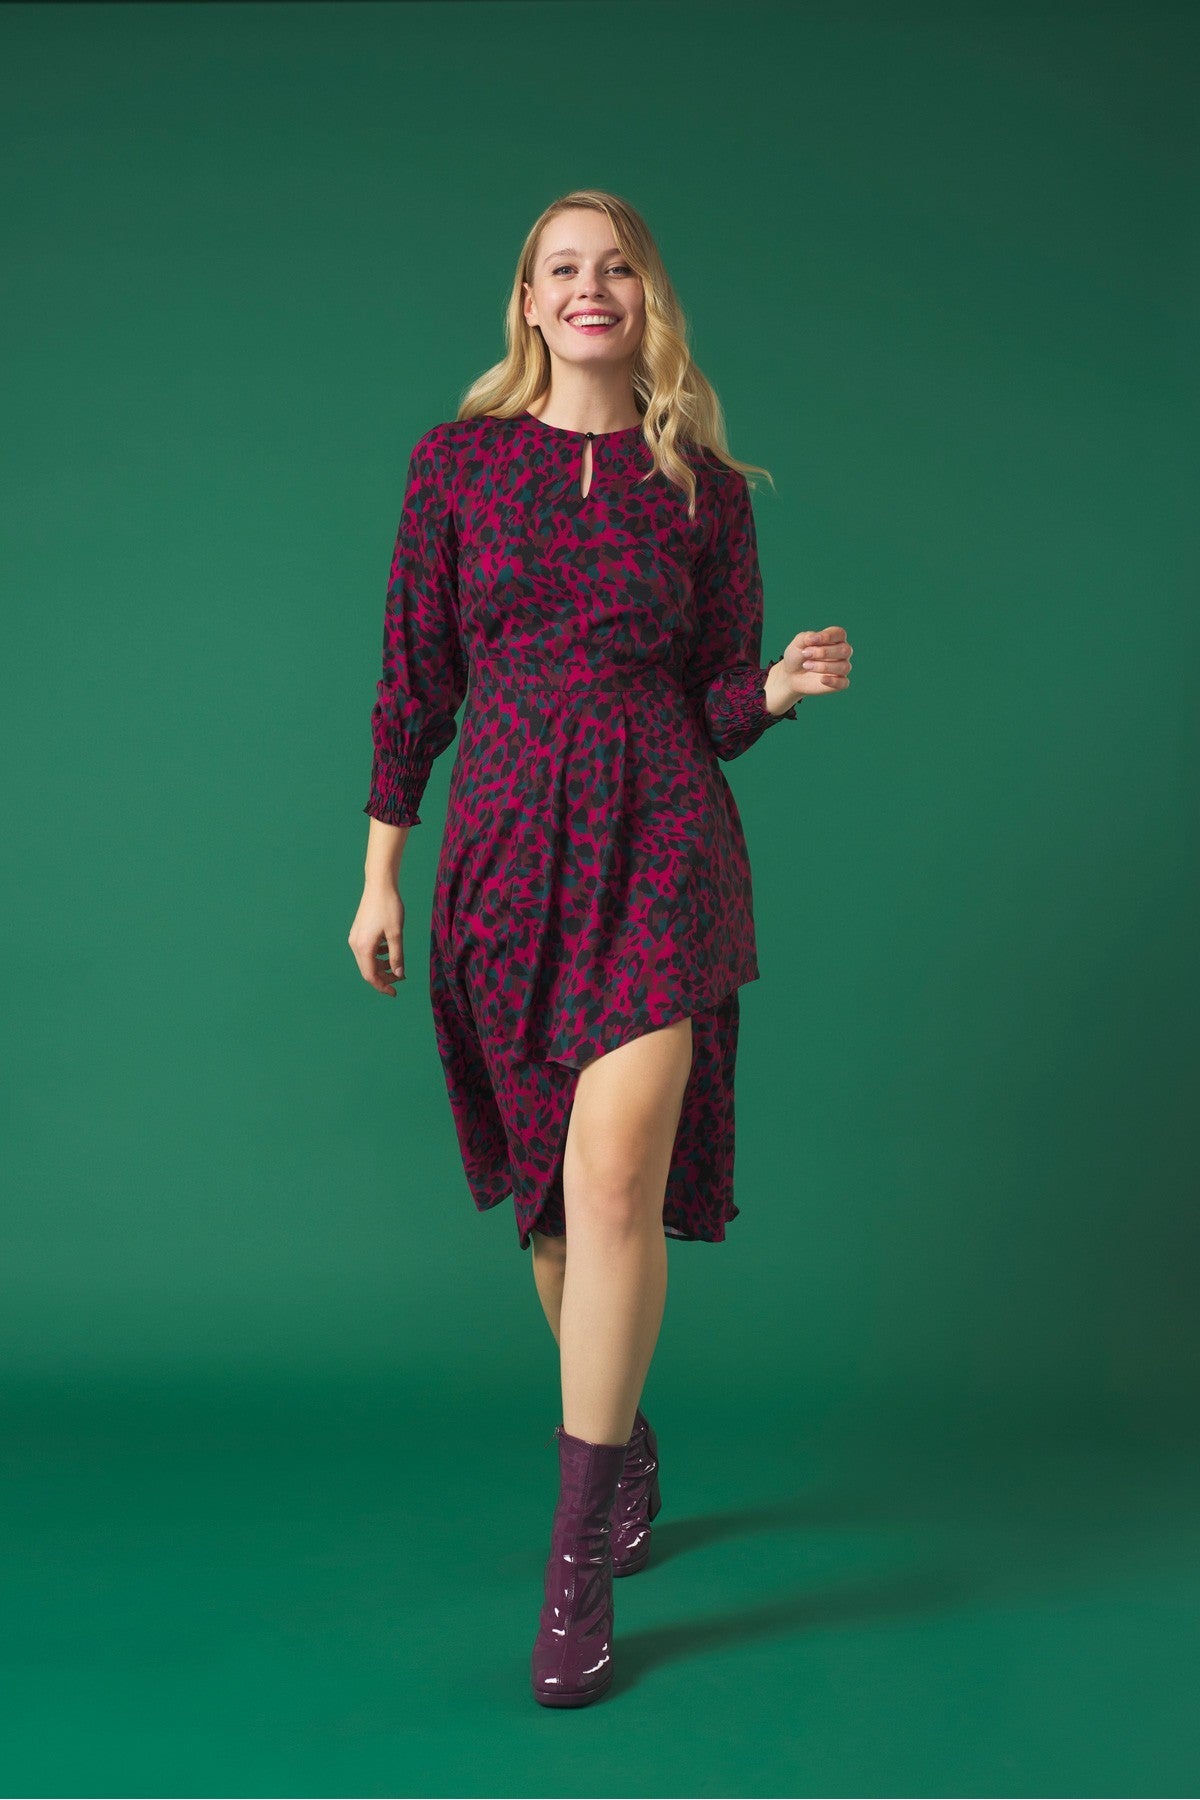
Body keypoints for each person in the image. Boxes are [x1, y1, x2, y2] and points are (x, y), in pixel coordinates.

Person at [348, 188, 852, 1707]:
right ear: (528, 302)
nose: (589, 288)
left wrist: (769, 691)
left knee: (620, 1175)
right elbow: (413, 682)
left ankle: (574, 1569)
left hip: (663, 842)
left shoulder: (703, 487)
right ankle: (619, 1445)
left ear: (647, 299)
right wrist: (380, 874)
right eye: (561, 268)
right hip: (503, 860)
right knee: (558, 1214)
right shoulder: (456, 468)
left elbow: (712, 701)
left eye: (615, 266)